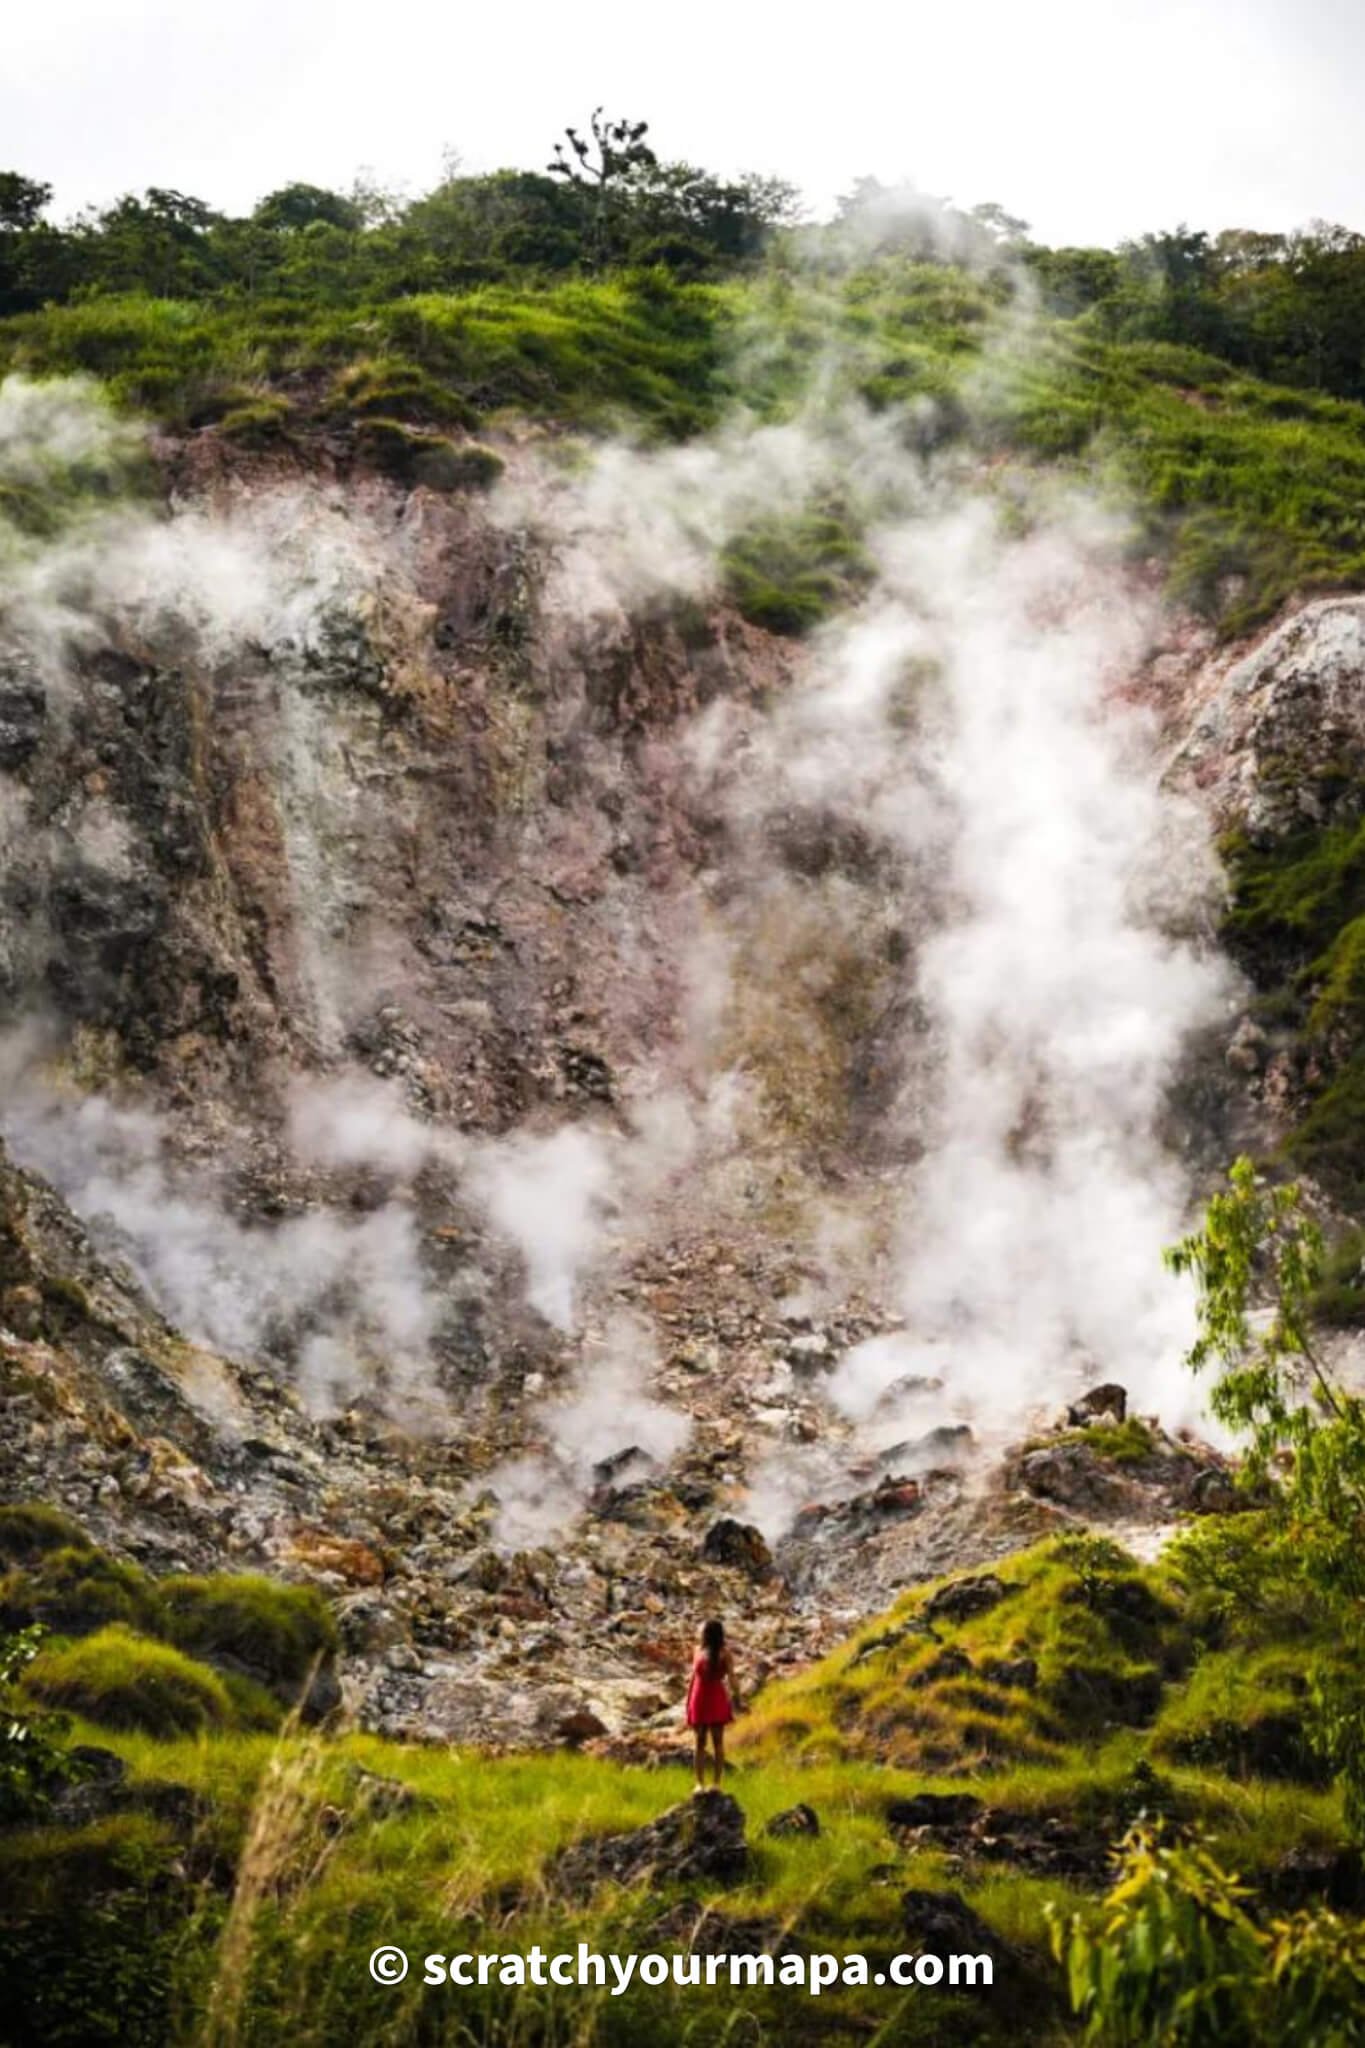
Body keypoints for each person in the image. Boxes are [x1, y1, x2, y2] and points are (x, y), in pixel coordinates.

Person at [686, 1617, 740, 1792]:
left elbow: (732, 1677)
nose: (699, 1633)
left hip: (715, 1697)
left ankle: (716, 1783)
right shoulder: (697, 1650)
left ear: (708, 1634)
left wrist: (737, 1696)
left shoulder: (725, 1653)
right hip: (700, 1697)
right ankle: (699, 1783)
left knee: (717, 1742)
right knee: (700, 1742)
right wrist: (687, 1702)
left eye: (702, 1630)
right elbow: (692, 1678)